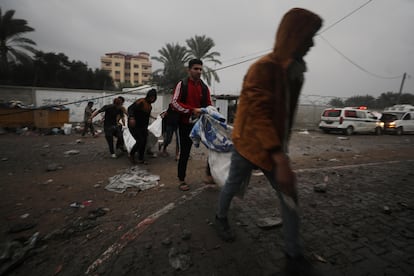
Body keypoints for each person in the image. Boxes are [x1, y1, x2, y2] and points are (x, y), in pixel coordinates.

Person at [215, 8, 323, 275]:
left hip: (274, 147)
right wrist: (279, 157)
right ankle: (220, 218)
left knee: (289, 195)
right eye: (309, 36)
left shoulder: (294, 70)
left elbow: (282, 117)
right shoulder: (262, 68)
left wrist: (281, 152)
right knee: (232, 185)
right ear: (294, 36)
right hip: (249, 144)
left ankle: (293, 255)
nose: (312, 43)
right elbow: (259, 115)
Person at [171, 59, 212, 191]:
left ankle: (209, 175)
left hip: (201, 125)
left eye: (200, 69)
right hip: (185, 125)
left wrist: (210, 111)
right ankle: (181, 179)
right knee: (185, 153)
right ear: (188, 70)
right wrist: (191, 110)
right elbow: (175, 103)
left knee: (213, 148)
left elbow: (209, 104)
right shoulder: (182, 85)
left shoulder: (204, 88)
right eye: (196, 68)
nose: (199, 71)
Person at [127, 89, 157, 164]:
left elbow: (146, 118)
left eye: (154, 98)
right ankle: (131, 155)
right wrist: (131, 118)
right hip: (134, 124)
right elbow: (130, 109)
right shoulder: (141, 101)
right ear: (148, 96)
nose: (152, 99)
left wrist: (146, 128)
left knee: (144, 141)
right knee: (140, 140)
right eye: (151, 97)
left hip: (142, 126)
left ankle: (141, 158)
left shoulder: (149, 106)